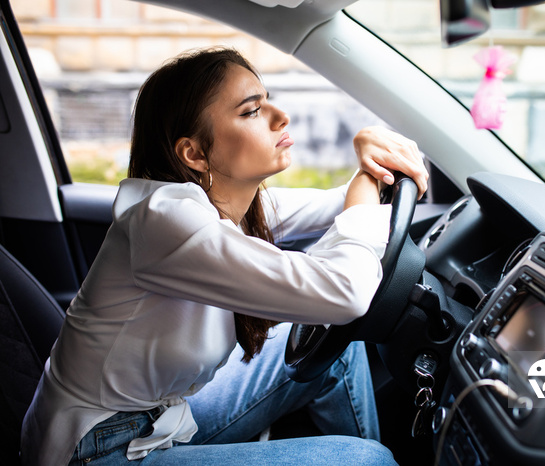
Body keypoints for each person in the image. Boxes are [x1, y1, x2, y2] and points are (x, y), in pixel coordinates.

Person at [20, 47, 428, 466]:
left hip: (161, 418)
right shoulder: (166, 221)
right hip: (97, 449)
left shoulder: (229, 205)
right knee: (366, 460)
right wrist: (368, 175)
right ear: (194, 153)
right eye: (251, 111)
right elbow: (346, 293)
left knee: (341, 351)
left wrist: (370, 153)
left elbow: (346, 205)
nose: (279, 116)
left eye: (266, 100)